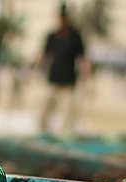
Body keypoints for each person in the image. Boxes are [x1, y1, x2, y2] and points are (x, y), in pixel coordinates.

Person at [38, 3, 89, 134]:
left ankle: (64, 138)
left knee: (67, 118)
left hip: (68, 83)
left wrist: (86, 79)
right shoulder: (52, 36)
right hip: (53, 80)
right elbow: (44, 56)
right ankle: (43, 136)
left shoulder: (75, 37)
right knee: (43, 115)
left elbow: (82, 59)